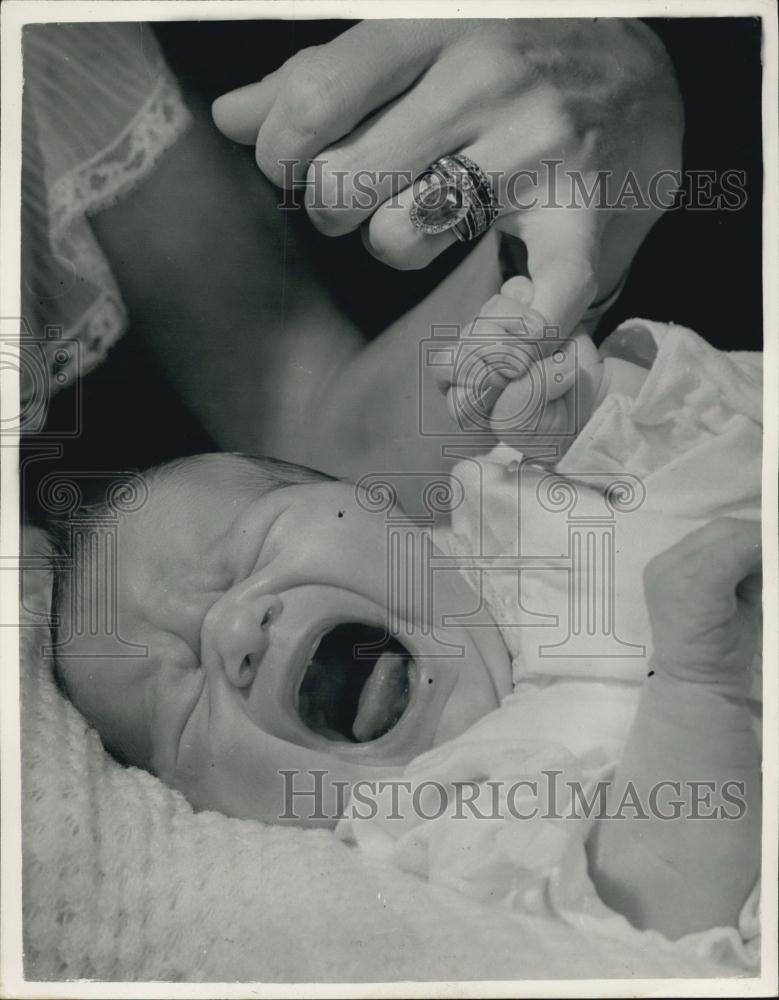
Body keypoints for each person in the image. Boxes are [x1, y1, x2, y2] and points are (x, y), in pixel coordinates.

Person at [47, 280, 762, 946]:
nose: (235, 632)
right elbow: (660, 904)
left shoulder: (527, 501)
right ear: (223, 816)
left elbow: (739, 437)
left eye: (254, 546)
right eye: (184, 699)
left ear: (381, 507)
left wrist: (597, 411)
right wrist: (696, 686)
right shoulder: (430, 828)